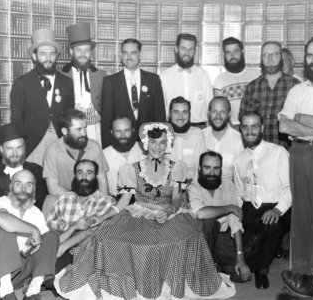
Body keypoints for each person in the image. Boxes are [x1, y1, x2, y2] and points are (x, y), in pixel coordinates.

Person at [53, 122, 236, 300]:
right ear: (146, 143)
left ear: (168, 143)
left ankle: (164, 284)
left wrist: (170, 210)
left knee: (177, 240)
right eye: (154, 142)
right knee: (113, 239)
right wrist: (101, 217)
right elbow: (123, 202)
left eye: (163, 142)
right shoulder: (131, 169)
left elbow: (177, 198)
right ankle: (132, 285)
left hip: (169, 214)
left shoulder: (176, 168)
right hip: (138, 213)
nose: (158, 147)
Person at [0, 170, 59, 300]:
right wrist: (33, 230)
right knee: (5, 227)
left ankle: (33, 291)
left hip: (16, 277)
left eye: (29, 185)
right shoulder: (2, 202)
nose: (23, 189)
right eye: (18, 184)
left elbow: (48, 249)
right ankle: (6, 293)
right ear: (11, 187)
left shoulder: (36, 213)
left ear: (34, 189)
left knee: (51, 236)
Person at [279, 36, 313, 278]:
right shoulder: (296, 90)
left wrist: (300, 118)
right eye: (310, 55)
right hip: (298, 153)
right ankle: (300, 274)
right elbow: (284, 127)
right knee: (301, 215)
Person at [234, 111, 291, 289]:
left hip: (276, 206)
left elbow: (290, 188)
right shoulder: (238, 159)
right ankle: (263, 254)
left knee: (271, 225)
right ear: (240, 129)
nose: (250, 131)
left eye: (255, 126)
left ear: (262, 128)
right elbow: (238, 192)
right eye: (245, 127)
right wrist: (236, 215)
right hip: (250, 207)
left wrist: (277, 210)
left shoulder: (278, 152)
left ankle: (262, 271)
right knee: (249, 250)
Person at [10, 28, 74, 165]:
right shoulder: (21, 84)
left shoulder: (67, 83)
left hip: (60, 144)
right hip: (32, 146)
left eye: (52, 54)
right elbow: (16, 121)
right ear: (34, 56)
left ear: (56, 56)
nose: (48, 59)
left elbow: (70, 117)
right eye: (43, 54)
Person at [188, 151, 250, 283]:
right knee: (209, 222)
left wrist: (240, 256)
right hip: (200, 239)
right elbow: (200, 213)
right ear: (199, 169)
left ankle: (216, 263)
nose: (211, 173)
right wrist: (229, 207)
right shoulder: (193, 188)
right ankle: (204, 265)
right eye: (207, 168)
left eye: (216, 168)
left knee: (242, 275)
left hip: (222, 237)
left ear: (221, 170)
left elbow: (235, 222)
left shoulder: (228, 185)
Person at [101, 38, 166, 147]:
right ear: (121, 55)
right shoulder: (110, 82)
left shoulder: (153, 80)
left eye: (133, 53)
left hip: (148, 144)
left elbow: (160, 116)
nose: (129, 57)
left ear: (140, 55)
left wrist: (161, 145)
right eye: (125, 53)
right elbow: (106, 120)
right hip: (121, 143)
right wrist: (107, 149)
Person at [42, 109, 109, 214]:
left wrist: (102, 204)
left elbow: (102, 180)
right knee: (49, 202)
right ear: (65, 131)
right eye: (78, 129)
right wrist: (79, 200)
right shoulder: (52, 151)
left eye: (85, 128)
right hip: (64, 200)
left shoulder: (95, 147)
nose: (84, 133)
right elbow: (52, 187)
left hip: (92, 201)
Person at [47, 159, 116, 259]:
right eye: (80, 173)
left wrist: (65, 246)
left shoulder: (106, 202)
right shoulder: (64, 199)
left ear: (96, 177)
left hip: (89, 257)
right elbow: (51, 230)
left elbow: (92, 231)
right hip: (58, 251)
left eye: (89, 173)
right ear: (75, 177)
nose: (84, 177)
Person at [239, 41, 301, 149]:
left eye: (274, 54)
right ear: (261, 59)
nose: (270, 58)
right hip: (258, 152)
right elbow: (243, 120)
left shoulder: (296, 86)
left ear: (281, 57)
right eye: (265, 55)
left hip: (288, 151)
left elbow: (301, 120)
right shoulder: (252, 88)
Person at [61, 23, 107, 144]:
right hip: (72, 128)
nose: (83, 54)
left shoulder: (100, 75)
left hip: (95, 128)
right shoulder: (61, 75)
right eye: (79, 50)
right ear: (71, 51)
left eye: (86, 50)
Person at [0, 123, 47, 212]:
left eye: (19, 148)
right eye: (10, 148)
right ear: (1, 149)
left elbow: (38, 204)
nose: (15, 153)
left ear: (24, 147)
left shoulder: (36, 171)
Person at [161, 33, 213, 128]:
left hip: (200, 129)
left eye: (191, 49)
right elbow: (162, 109)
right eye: (183, 48)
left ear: (195, 51)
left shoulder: (203, 75)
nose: (187, 53)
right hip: (174, 130)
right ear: (176, 49)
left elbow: (210, 106)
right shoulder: (164, 77)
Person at [213, 37, 260, 128]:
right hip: (231, 128)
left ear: (242, 52)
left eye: (236, 51)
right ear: (224, 56)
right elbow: (221, 109)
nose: (232, 55)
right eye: (228, 53)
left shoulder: (257, 75)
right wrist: (231, 130)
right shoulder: (219, 80)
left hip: (254, 127)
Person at [202, 96, 244, 183]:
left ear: (229, 114)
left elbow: (241, 177)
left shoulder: (239, 140)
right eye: (214, 111)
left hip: (229, 191)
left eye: (222, 112)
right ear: (208, 113)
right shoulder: (200, 137)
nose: (218, 116)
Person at [103, 115, 144, 196]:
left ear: (132, 130)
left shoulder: (143, 149)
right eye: (118, 131)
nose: (123, 135)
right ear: (112, 132)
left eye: (126, 130)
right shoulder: (104, 155)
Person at [168, 96, 206, 181]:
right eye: (176, 112)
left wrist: (192, 189)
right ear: (169, 115)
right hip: (168, 185)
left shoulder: (197, 134)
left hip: (192, 184)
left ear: (190, 115)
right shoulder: (162, 135)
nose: (180, 116)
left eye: (184, 112)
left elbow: (199, 169)